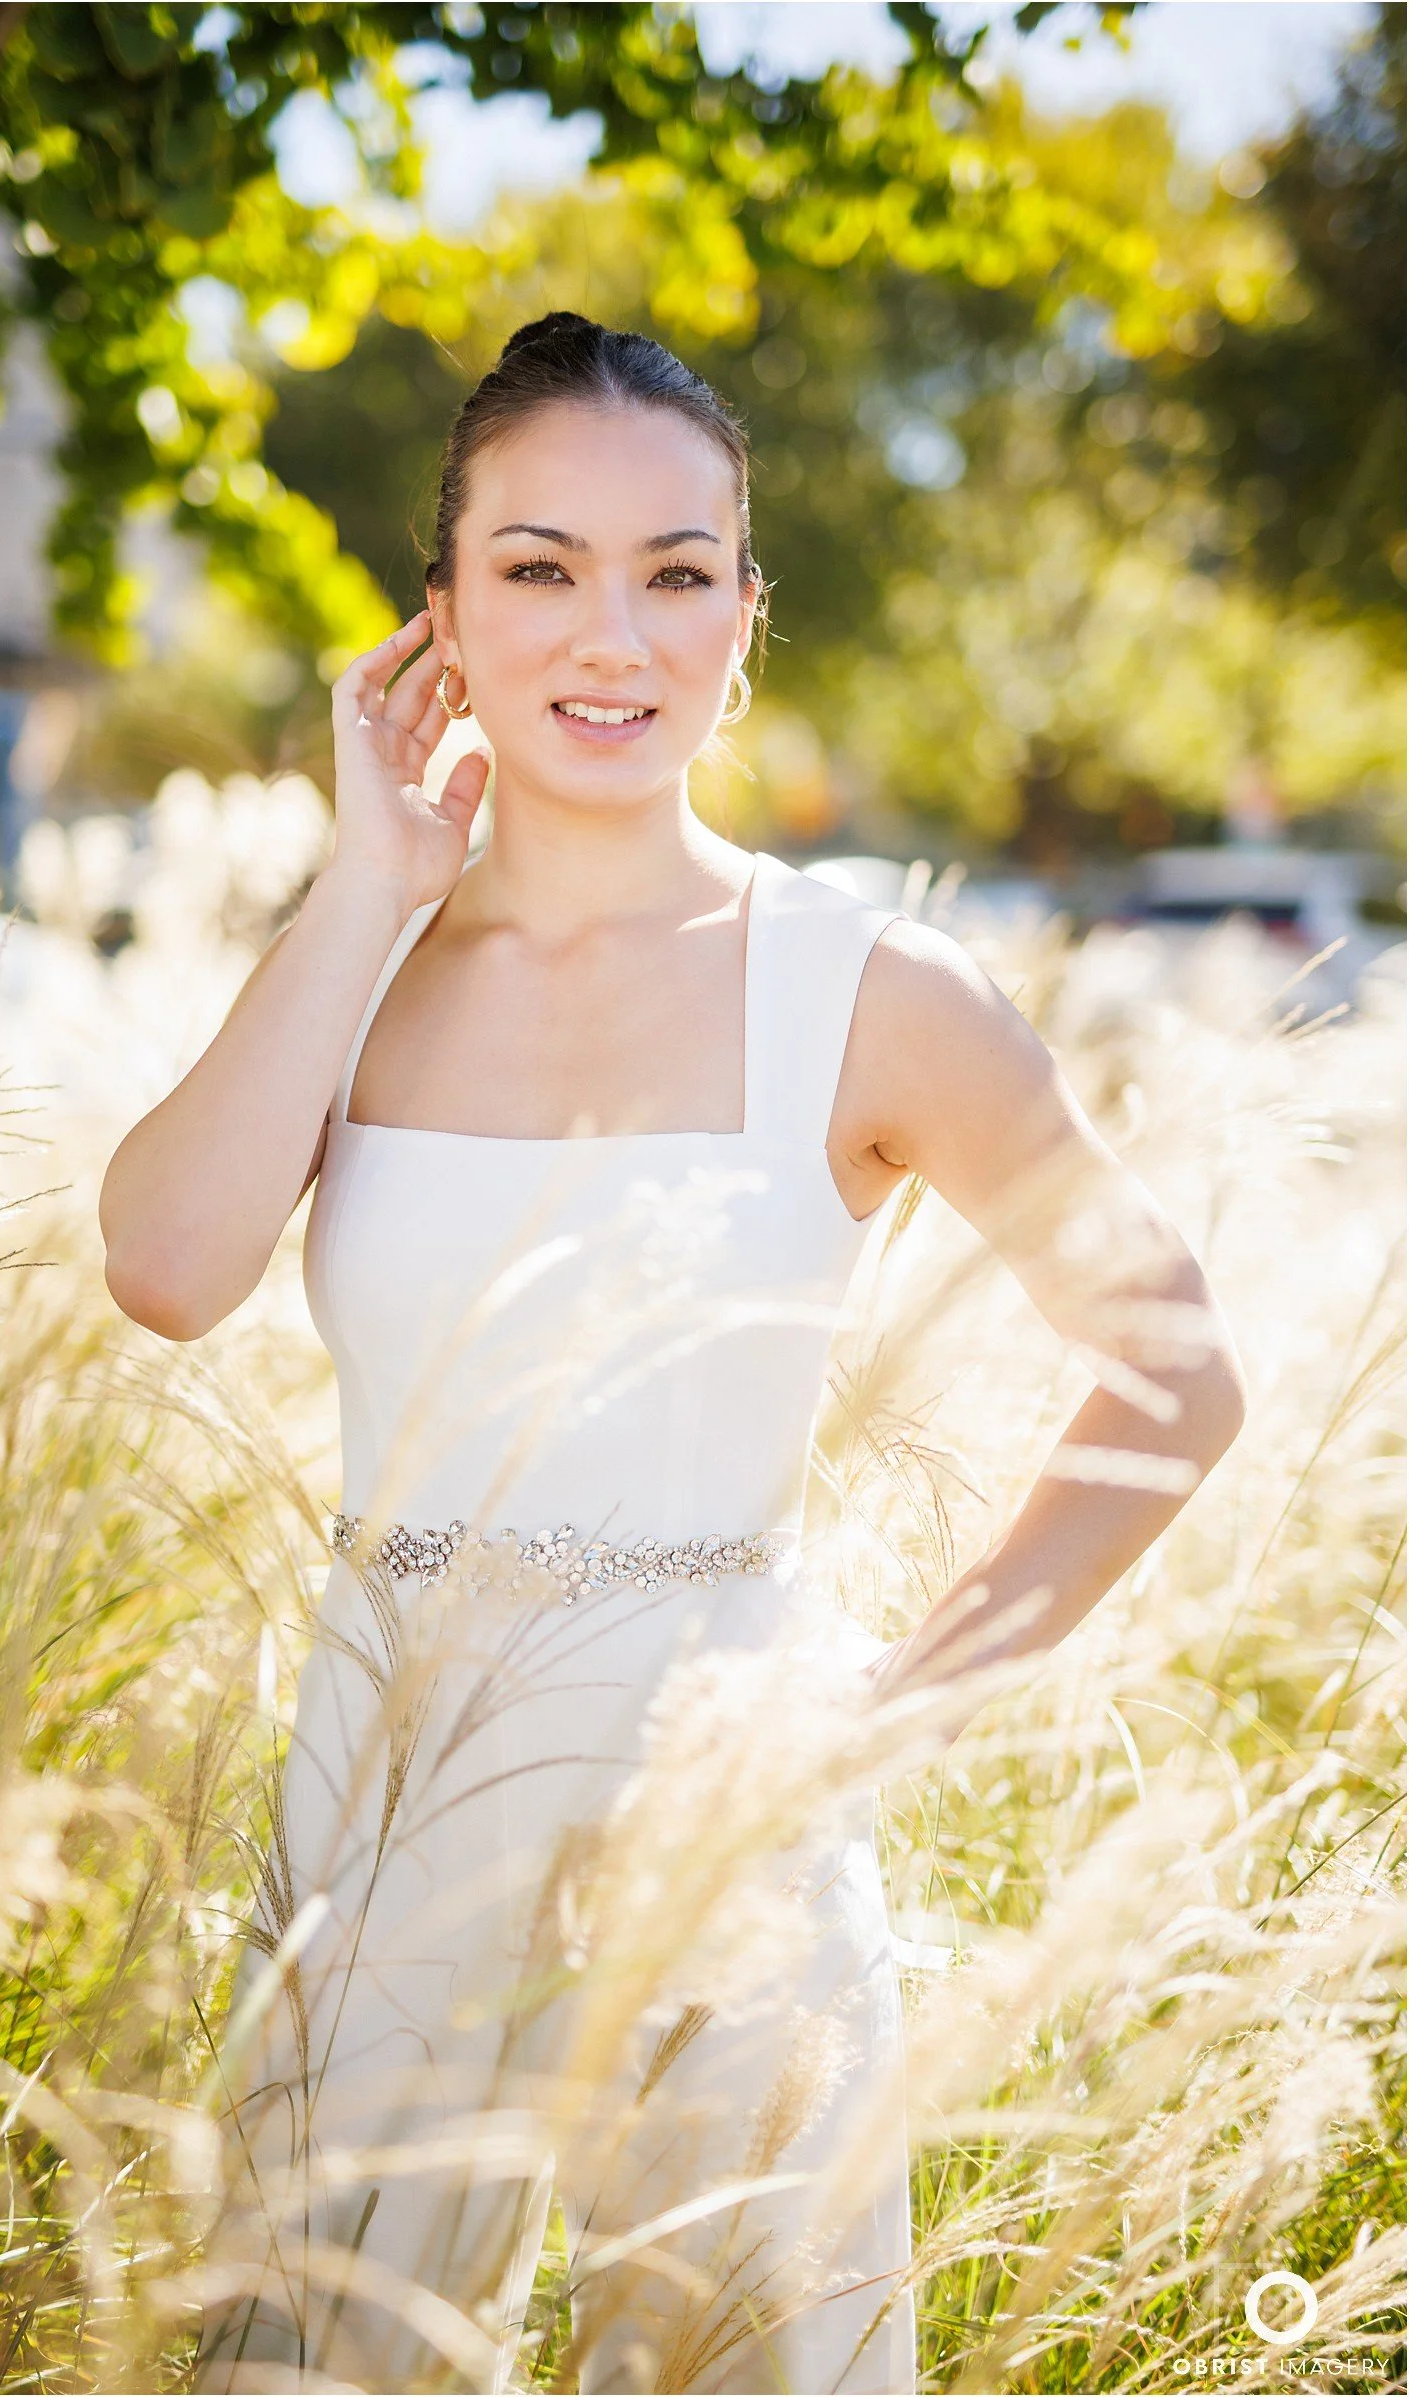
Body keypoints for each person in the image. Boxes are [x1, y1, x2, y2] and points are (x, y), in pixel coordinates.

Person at [99, 313, 1248, 2395]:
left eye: (675, 569)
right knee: (311, 2362)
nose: (608, 633)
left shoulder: (872, 991)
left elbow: (1177, 1376)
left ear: (743, 615)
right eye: (537, 566)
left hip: (724, 1816)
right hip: (381, 1783)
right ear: (440, 621)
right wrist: (369, 878)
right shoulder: (359, 959)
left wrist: (872, 1723)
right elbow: (168, 1268)